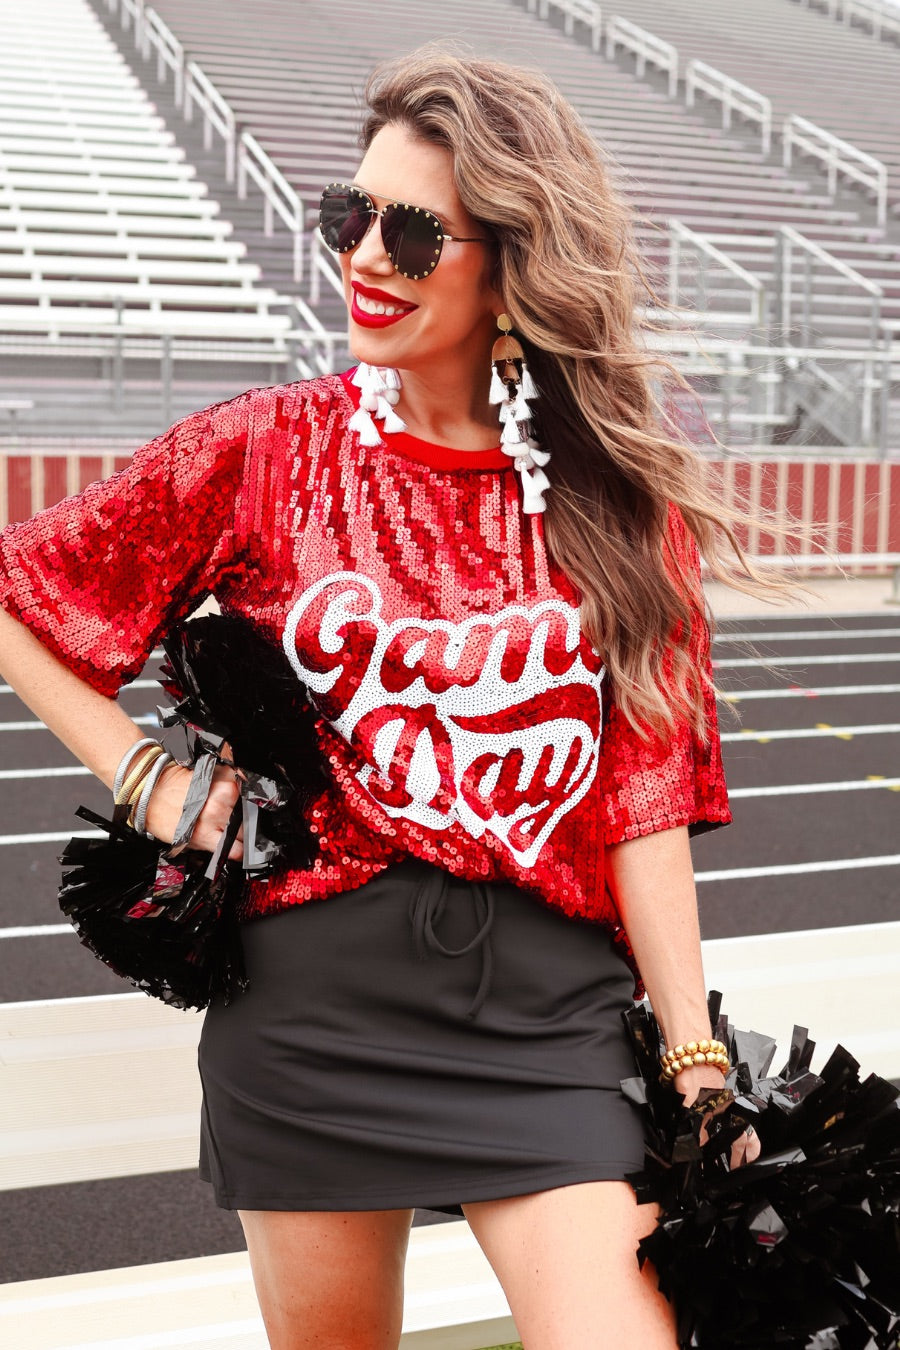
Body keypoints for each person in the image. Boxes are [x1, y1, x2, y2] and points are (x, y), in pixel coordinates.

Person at [0, 48, 771, 1350]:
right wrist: (148, 778)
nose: (366, 255)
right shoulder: (262, 447)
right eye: (350, 216)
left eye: (416, 233)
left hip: (551, 1017)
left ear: (516, 259)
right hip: (309, 1013)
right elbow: (28, 595)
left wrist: (695, 1057)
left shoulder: (617, 505)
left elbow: (644, 799)